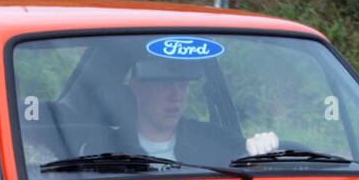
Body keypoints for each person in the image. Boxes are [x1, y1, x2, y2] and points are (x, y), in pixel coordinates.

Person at [119, 58, 278, 163]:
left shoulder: (214, 141)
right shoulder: (110, 148)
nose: (176, 96)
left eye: (183, 86)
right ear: (137, 87)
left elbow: (246, 153)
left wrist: (262, 145)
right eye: (165, 85)